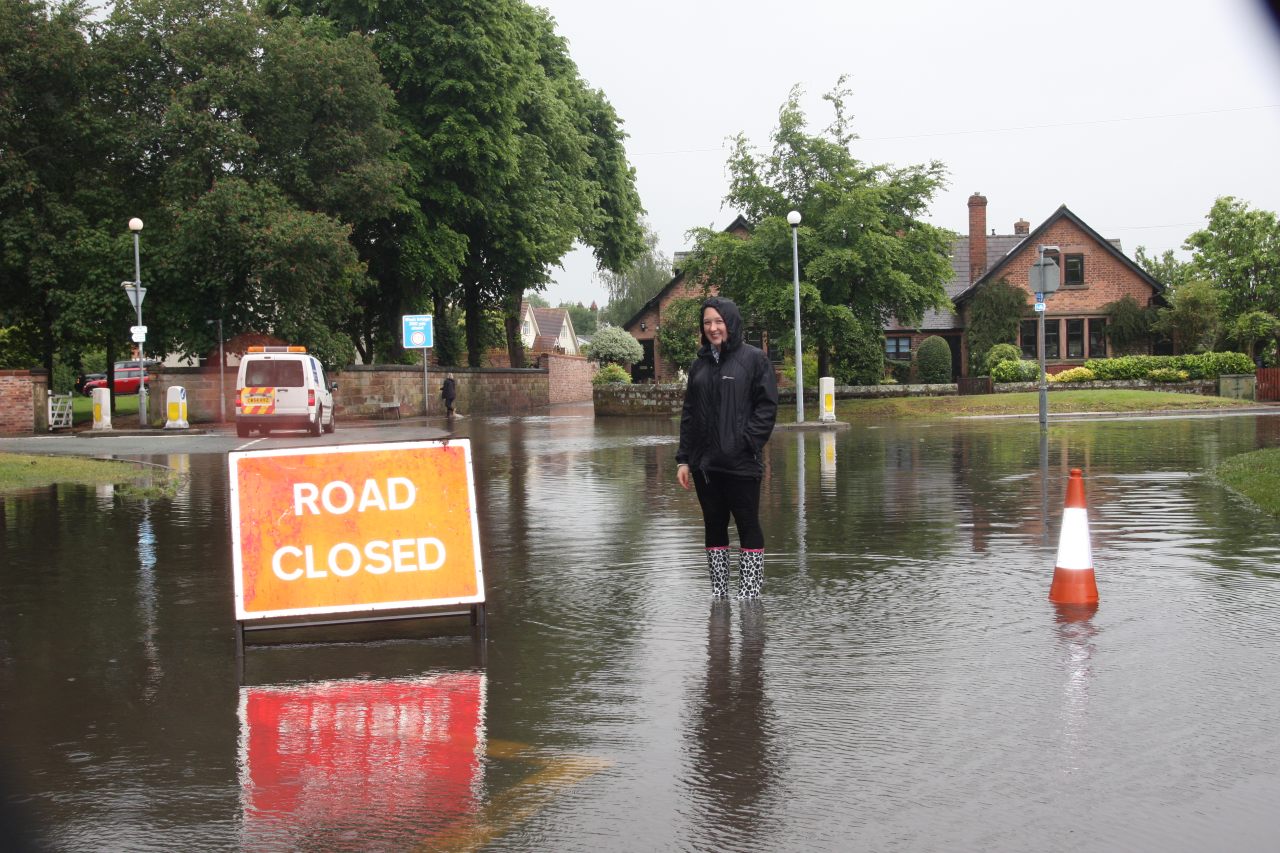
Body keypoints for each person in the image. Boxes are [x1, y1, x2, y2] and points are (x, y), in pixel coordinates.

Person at [676, 297, 778, 599]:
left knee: (748, 524)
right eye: (707, 322)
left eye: (718, 321)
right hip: (705, 466)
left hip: (742, 464)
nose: (713, 328)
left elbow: (767, 408)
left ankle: (749, 596)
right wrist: (684, 459)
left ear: (731, 323)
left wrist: (747, 443)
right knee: (713, 526)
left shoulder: (755, 360)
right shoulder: (699, 366)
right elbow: (689, 414)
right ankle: (719, 596)